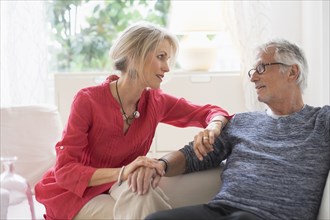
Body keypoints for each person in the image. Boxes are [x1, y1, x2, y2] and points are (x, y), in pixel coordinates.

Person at [34, 21, 231, 220]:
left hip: (124, 185)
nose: (167, 67)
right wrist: (123, 172)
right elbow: (65, 171)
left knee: (142, 191)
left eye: (168, 59)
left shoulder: (156, 101)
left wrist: (213, 128)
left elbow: (212, 111)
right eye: (160, 57)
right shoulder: (88, 101)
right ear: (135, 55)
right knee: (140, 200)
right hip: (76, 194)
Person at [145, 39, 330, 220]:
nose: (253, 78)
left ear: (292, 72)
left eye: (261, 68)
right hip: (221, 210)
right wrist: (160, 165)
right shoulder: (242, 121)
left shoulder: (322, 120)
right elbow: (192, 155)